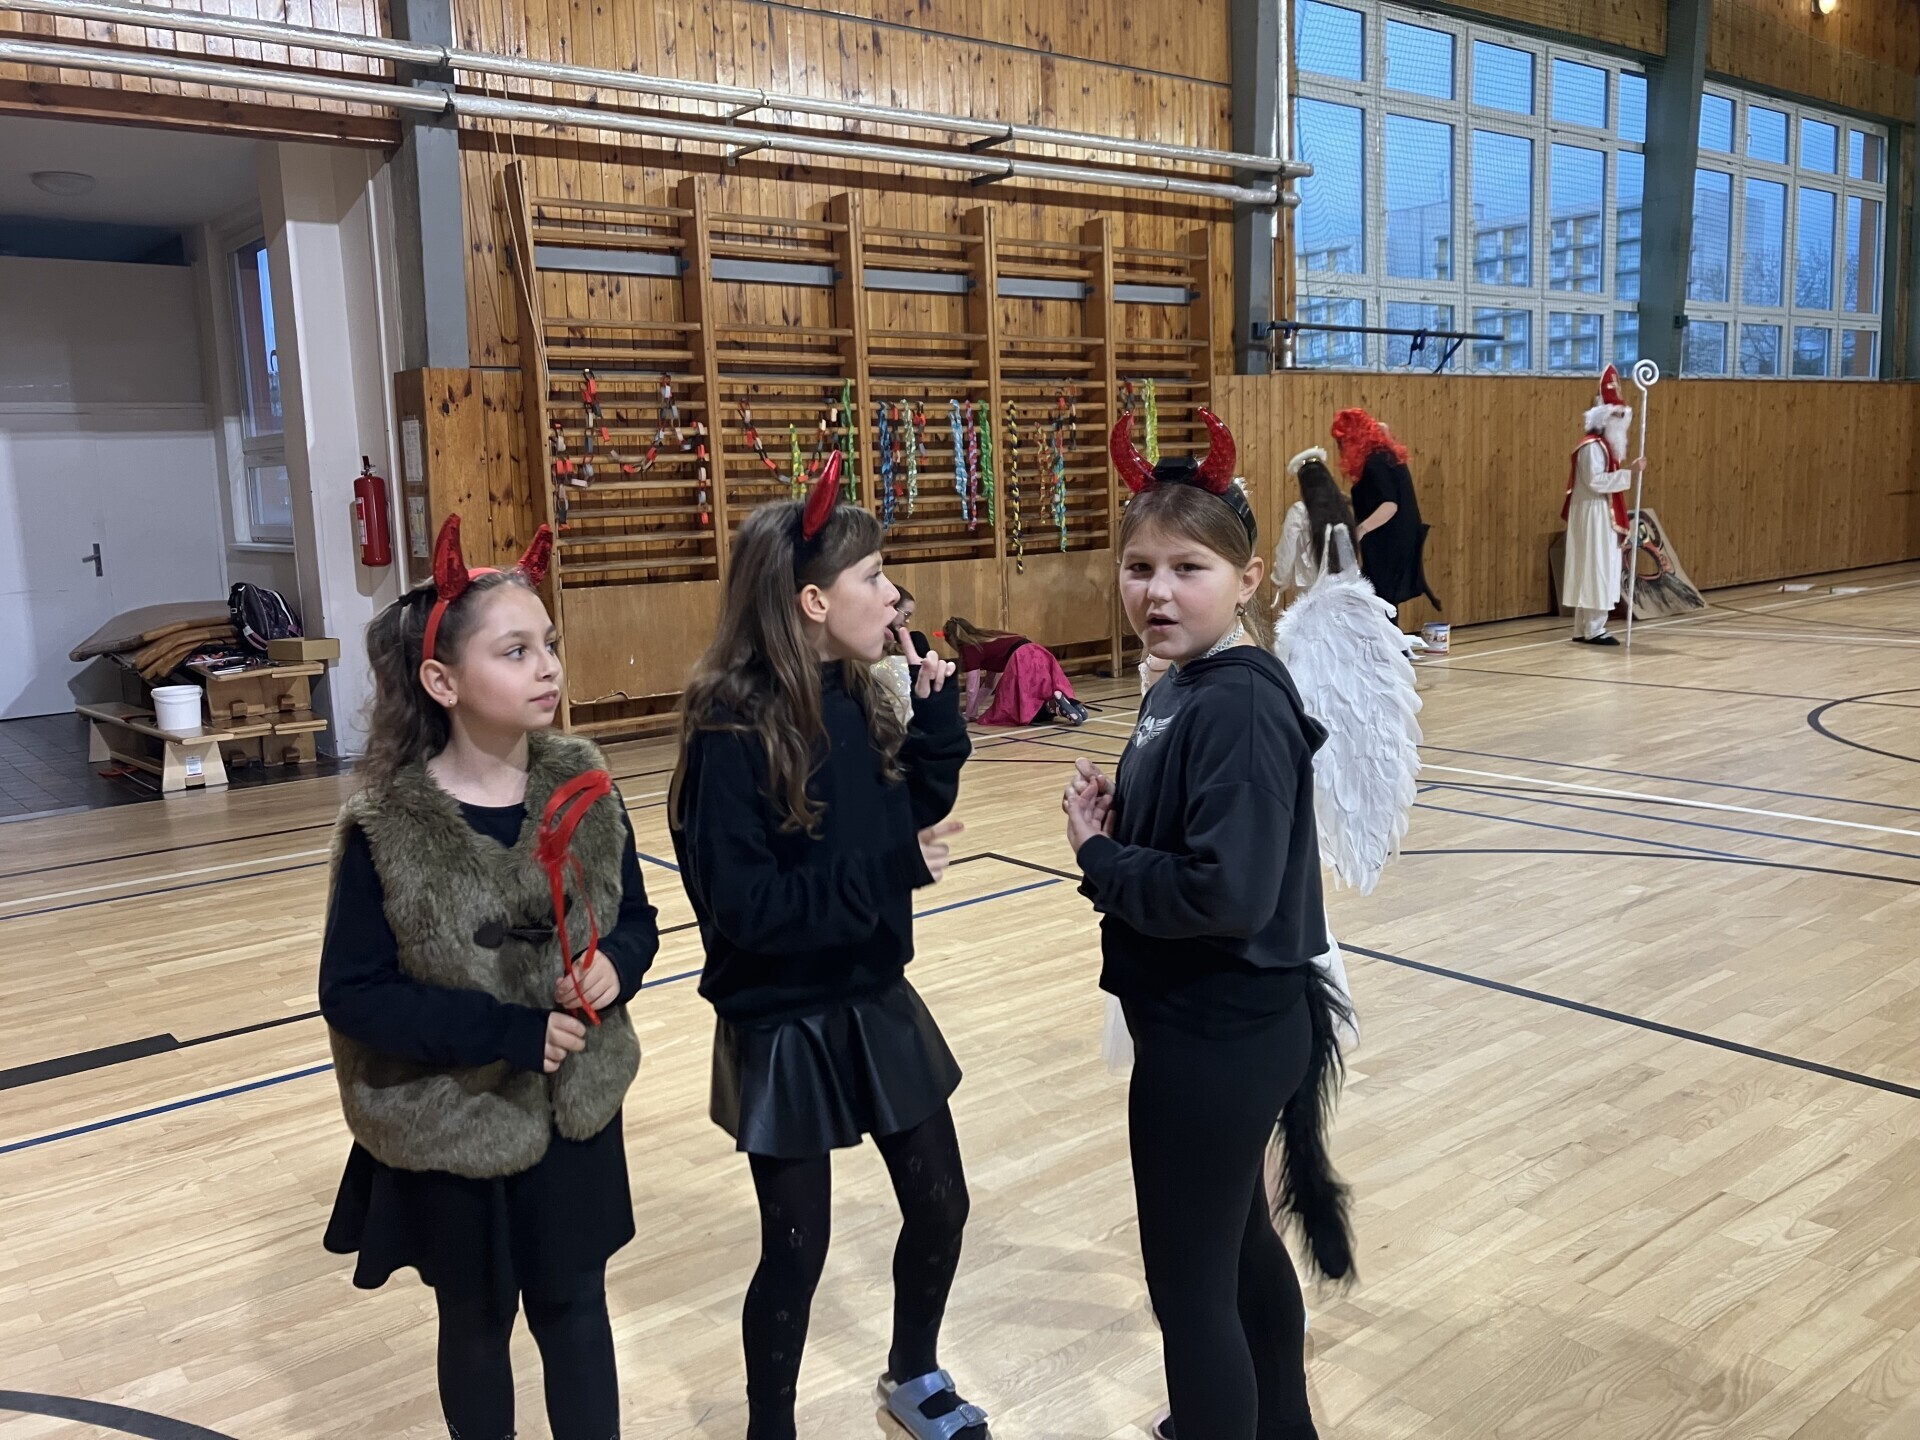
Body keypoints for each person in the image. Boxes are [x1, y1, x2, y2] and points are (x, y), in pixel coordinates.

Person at [668, 454, 988, 1440]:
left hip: (870, 988)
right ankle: (771, 1426)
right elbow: (749, 910)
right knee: (798, 1245)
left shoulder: (857, 692)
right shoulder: (729, 732)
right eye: (874, 577)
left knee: (941, 1203)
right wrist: (888, 872)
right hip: (782, 1016)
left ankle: (914, 1373)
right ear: (813, 601)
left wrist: (935, 716)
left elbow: (906, 812)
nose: (895, 596)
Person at [319, 515, 659, 1440]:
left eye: (549, 644)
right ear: (443, 681)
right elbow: (352, 994)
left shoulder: (584, 779)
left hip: (576, 1114)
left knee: (576, 1310)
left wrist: (615, 966)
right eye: (515, 651)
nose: (547, 667)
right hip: (457, 1125)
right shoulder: (388, 825)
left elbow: (636, 918)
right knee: (475, 1322)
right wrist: (508, 1032)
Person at [1065, 409, 1355, 1440]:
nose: (1158, 591)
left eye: (1189, 568)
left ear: (1248, 579)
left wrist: (1099, 858)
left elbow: (1226, 894)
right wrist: (1126, 824)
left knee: (1191, 1299)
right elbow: (1206, 844)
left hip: (1217, 1034)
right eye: (1139, 567)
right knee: (1236, 1254)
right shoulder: (1187, 682)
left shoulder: (1234, 701)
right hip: (1216, 1024)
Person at [1560, 364, 1643, 646]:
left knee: (1595, 567)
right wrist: (1629, 472)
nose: (1621, 420)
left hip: (1599, 511)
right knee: (1596, 567)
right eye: (1616, 415)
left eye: (1622, 414)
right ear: (1603, 417)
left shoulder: (1605, 447)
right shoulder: (1591, 447)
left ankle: (1586, 628)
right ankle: (1593, 629)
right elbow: (1595, 481)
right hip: (1594, 513)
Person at [1330, 406, 1441, 615]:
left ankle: (1391, 638)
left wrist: (1360, 530)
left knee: (1380, 603)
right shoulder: (1385, 455)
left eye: (1342, 441)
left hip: (1389, 543)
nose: (1340, 447)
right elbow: (1377, 499)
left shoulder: (1376, 463)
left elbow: (1389, 505)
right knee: (1381, 603)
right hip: (1398, 539)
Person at [942, 615, 1087, 726]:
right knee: (1043, 691)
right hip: (1037, 651)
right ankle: (1070, 703)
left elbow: (972, 687)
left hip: (1021, 658)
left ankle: (1052, 708)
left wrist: (970, 714)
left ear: (952, 640)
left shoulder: (970, 649)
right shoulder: (989, 638)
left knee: (1013, 709)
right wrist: (971, 709)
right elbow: (989, 684)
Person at [1272, 447, 1359, 606]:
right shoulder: (1342, 509)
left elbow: (1287, 550)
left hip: (1310, 592)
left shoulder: (1299, 512)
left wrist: (1279, 579)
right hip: (1346, 591)